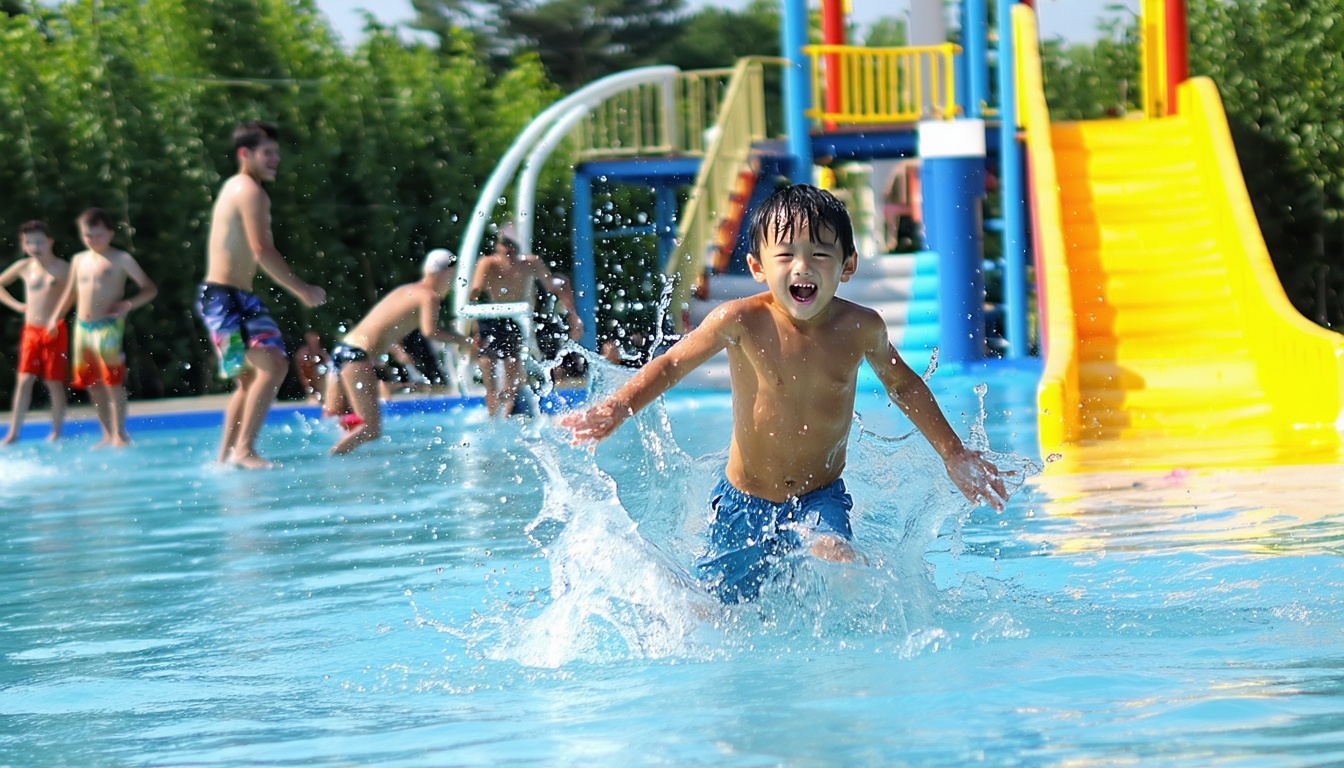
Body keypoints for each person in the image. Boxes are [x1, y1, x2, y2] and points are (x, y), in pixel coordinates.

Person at [560, 184, 1012, 604]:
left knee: (835, 556)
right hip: (743, 501)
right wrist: (619, 405)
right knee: (717, 611)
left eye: (820, 253)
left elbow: (904, 385)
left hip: (821, 496)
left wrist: (953, 453)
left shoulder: (861, 328)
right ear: (757, 267)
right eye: (786, 255)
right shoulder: (739, 320)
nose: (803, 266)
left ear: (848, 265)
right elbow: (673, 364)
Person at [197, 120, 326, 469]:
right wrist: (303, 289)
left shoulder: (234, 187)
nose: (275, 159)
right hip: (227, 299)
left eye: (276, 153)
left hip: (226, 297)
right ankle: (243, 450)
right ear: (245, 153)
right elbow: (261, 249)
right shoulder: (250, 191)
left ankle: (224, 457)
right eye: (267, 153)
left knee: (251, 378)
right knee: (272, 366)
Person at [324, 249, 471, 455]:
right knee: (371, 429)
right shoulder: (429, 296)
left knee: (341, 418)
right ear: (444, 273)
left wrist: (396, 351)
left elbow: (382, 325)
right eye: (453, 276)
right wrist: (464, 341)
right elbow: (430, 331)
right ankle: (332, 461)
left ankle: (347, 465)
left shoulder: (406, 290)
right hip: (356, 357)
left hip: (342, 350)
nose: (453, 283)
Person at [48, 208, 158, 448]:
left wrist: (129, 304)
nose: (92, 240)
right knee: (91, 383)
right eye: (88, 235)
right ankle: (107, 433)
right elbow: (70, 293)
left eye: (97, 235)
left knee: (112, 381)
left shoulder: (121, 259)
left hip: (108, 326)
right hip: (82, 327)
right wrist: (55, 319)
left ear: (109, 234)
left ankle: (120, 434)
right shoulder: (79, 260)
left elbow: (150, 288)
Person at [469, 232, 581, 417]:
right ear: (497, 247)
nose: (508, 249)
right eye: (504, 244)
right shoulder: (488, 263)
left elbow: (553, 286)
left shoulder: (531, 263)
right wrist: (472, 326)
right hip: (491, 317)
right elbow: (474, 292)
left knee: (512, 366)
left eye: (512, 244)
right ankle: (493, 418)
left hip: (514, 320)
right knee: (487, 365)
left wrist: (572, 313)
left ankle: (506, 414)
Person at [0, 221, 71, 444]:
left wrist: (56, 317)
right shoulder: (24, 267)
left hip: (54, 329)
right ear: (23, 245)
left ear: (50, 242)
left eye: (39, 242)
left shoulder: (62, 268)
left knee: (53, 382)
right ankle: (13, 432)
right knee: (24, 380)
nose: (35, 246)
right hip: (31, 330)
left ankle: (57, 431)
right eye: (29, 242)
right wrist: (17, 305)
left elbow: (75, 294)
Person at [293, 329, 330, 404]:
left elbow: (329, 369)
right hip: (311, 386)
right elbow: (303, 377)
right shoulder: (303, 355)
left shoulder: (322, 354)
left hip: (321, 385)